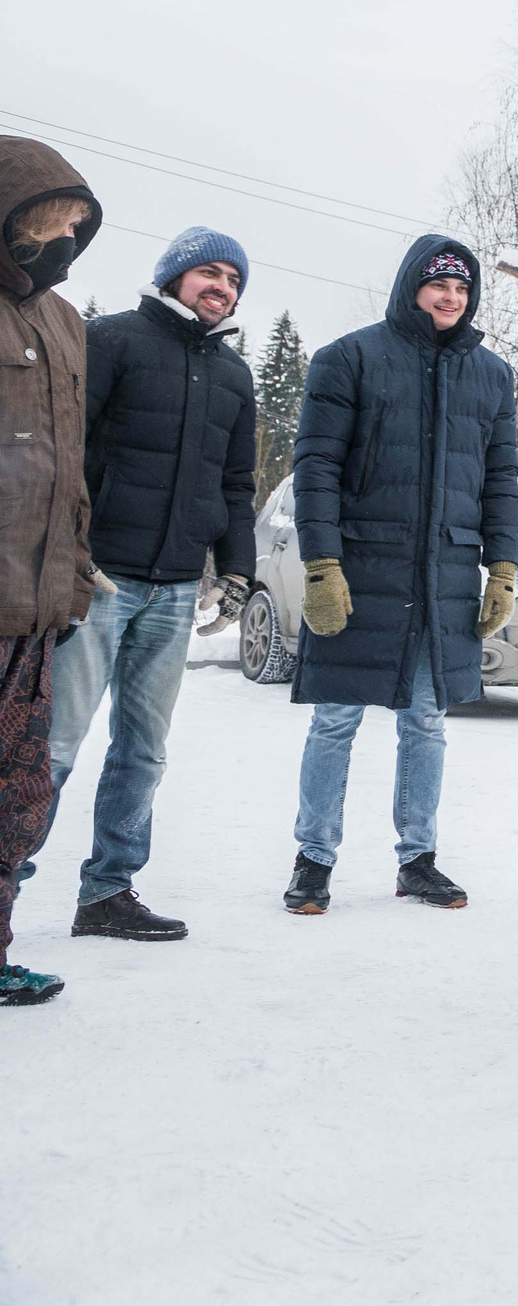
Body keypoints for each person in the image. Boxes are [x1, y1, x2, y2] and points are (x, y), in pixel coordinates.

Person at [16, 227, 256, 944]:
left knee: (143, 749)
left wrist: (236, 568)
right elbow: (65, 448)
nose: (222, 287)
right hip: (100, 579)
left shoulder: (235, 375)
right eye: (209, 272)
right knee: (55, 745)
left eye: (234, 279)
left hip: (177, 586)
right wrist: (69, 551)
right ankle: (5, 886)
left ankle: (109, 892)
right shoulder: (110, 341)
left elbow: (236, 485)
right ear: (174, 276)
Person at [283, 235, 518, 916]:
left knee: (426, 721)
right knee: (335, 720)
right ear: (411, 286)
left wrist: (502, 565)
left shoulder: (492, 376)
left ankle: (418, 860)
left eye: (463, 287)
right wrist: (321, 563)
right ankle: (313, 860)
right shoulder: (349, 358)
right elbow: (317, 467)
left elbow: (499, 481)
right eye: (439, 284)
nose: (451, 297)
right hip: (362, 571)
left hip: (443, 573)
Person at [0, 139, 102, 1007]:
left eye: (79, 225)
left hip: (37, 608)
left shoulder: (66, 324)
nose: (72, 237)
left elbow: (70, 470)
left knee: (20, 799)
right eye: (60, 220)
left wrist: (72, 580)